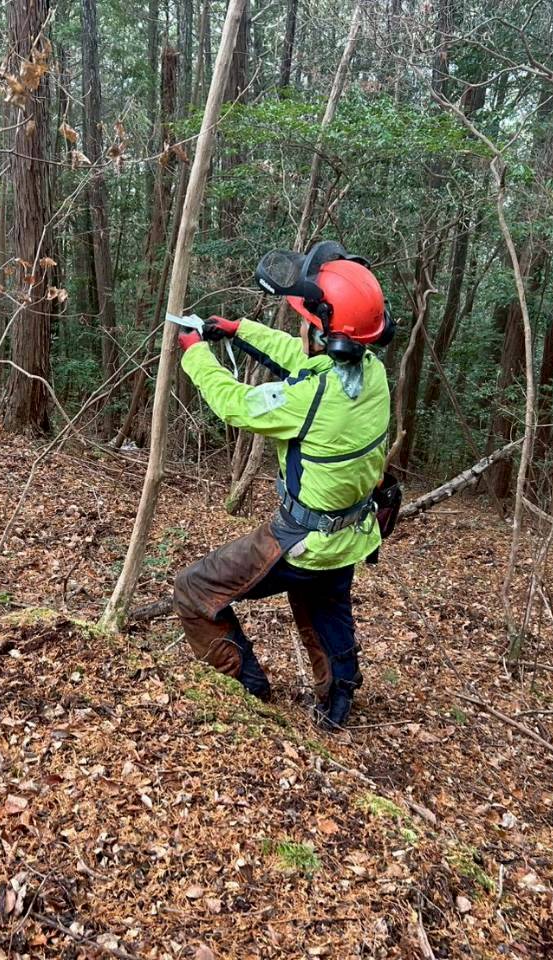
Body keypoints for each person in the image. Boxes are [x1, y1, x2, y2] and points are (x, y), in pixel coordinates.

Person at [172, 242, 395, 730]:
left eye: (306, 323)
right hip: (350, 534)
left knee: (194, 589)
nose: (300, 329)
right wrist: (240, 330)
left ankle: (245, 688)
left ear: (326, 336)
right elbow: (302, 357)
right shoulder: (372, 374)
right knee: (324, 605)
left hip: (302, 540)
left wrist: (196, 353)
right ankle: (338, 700)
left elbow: (236, 403)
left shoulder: (310, 398)